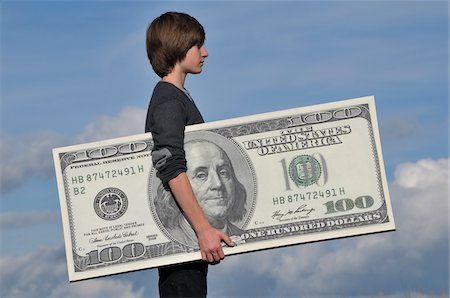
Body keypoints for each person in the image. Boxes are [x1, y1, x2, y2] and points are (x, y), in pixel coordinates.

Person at [145, 11, 234, 297]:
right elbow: (170, 165)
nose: (205, 52)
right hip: (183, 240)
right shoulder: (169, 100)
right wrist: (203, 229)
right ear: (180, 47)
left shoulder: (177, 97)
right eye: (199, 46)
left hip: (188, 238)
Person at [154, 139, 247, 248]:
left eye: (223, 173)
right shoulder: (172, 240)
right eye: (201, 175)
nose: (217, 184)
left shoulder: (243, 236)